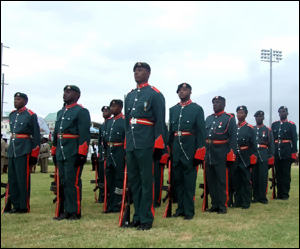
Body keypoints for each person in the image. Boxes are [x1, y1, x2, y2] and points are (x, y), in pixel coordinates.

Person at [124, 62, 166, 230]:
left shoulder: (155, 94)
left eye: (140, 70)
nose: (136, 72)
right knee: (135, 182)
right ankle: (137, 216)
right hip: (132, 144)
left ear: (148, 73)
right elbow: (127, 123)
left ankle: (146, 218)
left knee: (146, 182)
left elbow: (160, 122)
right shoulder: (130, 95)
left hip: (147, 142)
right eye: (135, 70)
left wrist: (159, 145)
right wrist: (127, 143)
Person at [51, 85, 91, 220]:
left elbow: (84, 134)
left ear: (76, 95)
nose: (65, 94)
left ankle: (75, 211)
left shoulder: (81, 111)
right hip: (61, 151)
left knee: (72, 182)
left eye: (68, 92)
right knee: (64, 182)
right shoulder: (60, 112)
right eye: (64, 92)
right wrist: (54, 150)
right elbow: (56, 134)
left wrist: (82, 153)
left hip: (73, 151)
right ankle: (67, 210)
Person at [168, 83, 206, 220]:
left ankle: (189, 210)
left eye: (185, 89)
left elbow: (201, 132)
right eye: (180, 90)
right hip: (176, 150)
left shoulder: (197, 109)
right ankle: (180, 209)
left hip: (190, 149)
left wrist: (200, 152)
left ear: (190, 92)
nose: (182, 91)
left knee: (189, 181)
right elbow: (170, 133)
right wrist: (168, 149)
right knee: (178, 181)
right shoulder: (173, 109)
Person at [4, 92, 40, 213]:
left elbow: (36, 136)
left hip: (23, 149)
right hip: (13, 149)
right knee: (12, 178)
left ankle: (23, 206)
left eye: (18, 99)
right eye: (15, 99)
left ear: (25, 101)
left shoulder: (30, 115)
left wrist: (35, 154)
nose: (15, 101)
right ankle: (15, 204)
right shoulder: (12, 114)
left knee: (22, 179)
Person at [205, 96, 237, 214]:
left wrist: (231, 155)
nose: (215, 104)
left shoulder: (229, 119)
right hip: (209, 154)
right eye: (214, 103)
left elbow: (233, 139)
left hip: (221, 153)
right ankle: (215, 204)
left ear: (224, 104)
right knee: (211, 181)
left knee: (222, 181)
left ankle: (223, 205)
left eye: (218, 102)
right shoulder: (209, 119)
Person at [271, 106, 298, 200]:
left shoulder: (291, 125)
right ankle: (279, 194)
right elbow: (272, 140)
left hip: (286, 152)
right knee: (278, 174)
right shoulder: (274, 125)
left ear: (287, 113)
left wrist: (294, 153)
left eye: (284, 112)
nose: (282, 113)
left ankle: (285, 194)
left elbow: (294, 140)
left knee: (286, 174)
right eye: (280, 112)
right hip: (276, 153)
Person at [104, 99, 126, 213]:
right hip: (110, 152)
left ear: (121, 107)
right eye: (111, 106)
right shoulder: (109, 122)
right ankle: (110, 204)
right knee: (110, 180)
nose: (112, 108)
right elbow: (105, 140)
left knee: (119, 181)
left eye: (115, 106)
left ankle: (118, 204)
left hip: (120, 153)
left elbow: (127, 138)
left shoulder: (124, 121)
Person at [233, 106, 257, 209]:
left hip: (245, 156)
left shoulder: (250, 128)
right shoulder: (234, 127)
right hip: (235, 156)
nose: (239, 115)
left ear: (246, 114)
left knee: (246, 180)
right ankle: (237, 201)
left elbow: (254, 145)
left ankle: (246, 201)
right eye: (238, 113)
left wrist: (252, 157)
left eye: (242, 113)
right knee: (236, 180)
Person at [252, 110, 274, 204]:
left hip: (263, 155)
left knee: (263, 177)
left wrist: (270, 157)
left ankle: (263, 197)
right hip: (254, 155)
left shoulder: (267, 130)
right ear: (255, 118)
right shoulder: (252, 129)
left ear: (263, 118)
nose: (259, 118)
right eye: (257, 117)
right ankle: (256, 197)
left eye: (261, 117)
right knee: (254, 177)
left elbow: (271, 145)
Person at [97, 106, 112, 203]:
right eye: (103, 111)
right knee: (101, 177)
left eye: (107, 111)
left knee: (109, 177)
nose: (104, 112)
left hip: (109, 153)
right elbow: (100, 141)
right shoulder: (102, 126)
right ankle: (102, 196)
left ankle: (109, 195)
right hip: (102, 154)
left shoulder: (111, 123)